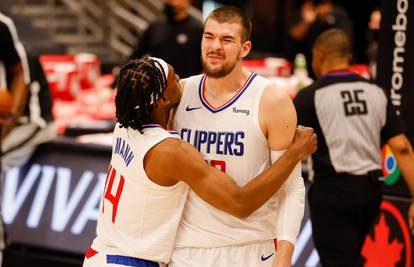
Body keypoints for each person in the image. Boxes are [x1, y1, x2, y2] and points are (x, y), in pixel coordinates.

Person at [83, 57, 317, 267]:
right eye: (175, 78)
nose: (182, 81)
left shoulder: (124, 125)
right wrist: (294, 153)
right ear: (163, 98)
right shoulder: (171, 152)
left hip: (99, 253)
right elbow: (241, 203)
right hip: (131, 262)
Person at [171, 6, 305, 267]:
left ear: (245, 48)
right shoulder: (180, 93)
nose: (215, 46)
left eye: (227, 39)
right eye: (209, 37)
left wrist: (284, 257)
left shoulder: (271, 100)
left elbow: (291, 188)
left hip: (250, 250)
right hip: (185, 250)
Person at [293, 28, 414, 266]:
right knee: (349, 257)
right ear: (348, 56)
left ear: (320, 54)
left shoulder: (310, 96)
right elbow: (401, 147)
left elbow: (283, 146)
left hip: (332, 192)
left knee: (337, 261)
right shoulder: (377, 92)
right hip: (370, 193)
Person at [0, 13, 55, 172]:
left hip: (33, 120)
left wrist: (6, 126)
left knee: (1, 155)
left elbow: (15, 105)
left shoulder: (19, 55)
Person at [127, 0, 203, 78]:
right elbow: (135, 56)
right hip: (157, 85)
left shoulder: (197, 29)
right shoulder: (155, 27)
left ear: (187, 2)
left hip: (185, 86)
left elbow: (204, 64)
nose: (170, 2)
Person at [287, 0, 353, 77]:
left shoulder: (339, 14)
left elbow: (345, 41)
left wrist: (328, 19)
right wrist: (306, 22)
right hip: (307, 69)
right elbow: (294, 37)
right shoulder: (306, 10)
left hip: (333, 69)